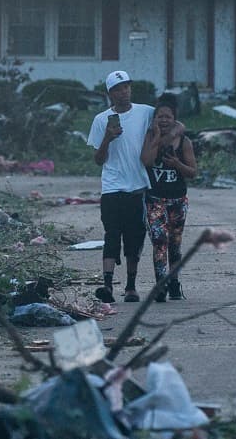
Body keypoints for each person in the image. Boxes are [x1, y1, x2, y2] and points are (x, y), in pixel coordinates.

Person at [87, 70, 153, 303]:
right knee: (112, 235)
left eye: (126, 87)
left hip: (137, 186)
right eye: (117, 89)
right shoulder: (100, 120)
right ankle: (107, 285)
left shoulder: (146, 112)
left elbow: (170, 122)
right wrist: (107, 137)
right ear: (110, 94)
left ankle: (131, 286)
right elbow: (98, 159)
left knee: (135, 237)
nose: (123, 92)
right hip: (112, 186)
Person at [140, 93, 197, 301]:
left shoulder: (184, 141)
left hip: (177, 201)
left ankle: (174, 282)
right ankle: (161, 285)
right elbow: (146, 161)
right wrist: (156, 139)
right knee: (158, 241)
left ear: (174, 119)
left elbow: (192, 172)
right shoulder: (148, 137)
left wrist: (177, 165)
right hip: (155, 200)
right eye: (160, 117)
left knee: (174, 245)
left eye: (167, 117)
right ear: (154, 119)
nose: (163, 120)